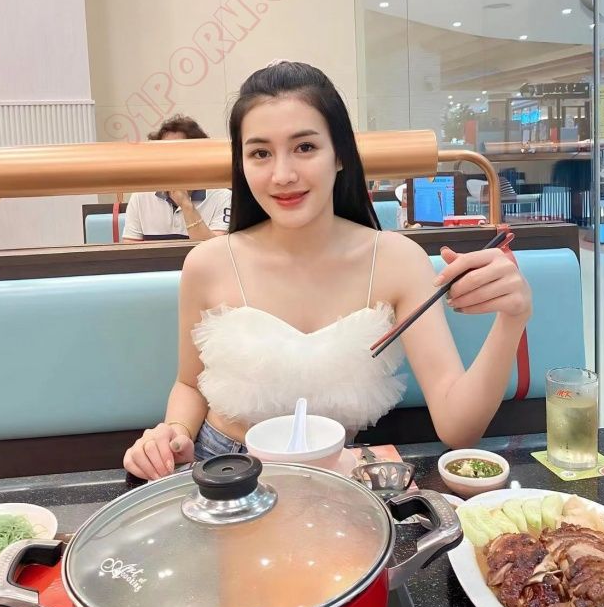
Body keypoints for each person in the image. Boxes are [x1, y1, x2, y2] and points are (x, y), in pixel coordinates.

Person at [123, 62, 531, 480]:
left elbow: (459, 428)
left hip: (336, 475)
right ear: (241, 164)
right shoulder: (207, 263)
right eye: (260, 153)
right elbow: (190, 384)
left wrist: (512, 319)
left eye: (305, 147)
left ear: (339, 154)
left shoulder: (397, 261)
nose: (283, 175)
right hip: (225, 470)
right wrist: (173, 433)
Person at [122, 115, 231, 242]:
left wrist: (186, 205)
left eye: (178, 152)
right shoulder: (141, 196)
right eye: (163, 153)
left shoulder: (223, 197)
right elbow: (130, 247)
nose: (169, 161)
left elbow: (216, 249)